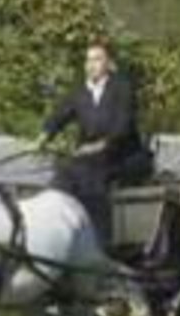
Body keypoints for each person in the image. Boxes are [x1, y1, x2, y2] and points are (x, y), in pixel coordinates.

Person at [38, 40, 153, 243]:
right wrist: (45, 135)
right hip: (88, 156)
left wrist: (99, 146)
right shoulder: (79, 91)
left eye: (97, 59)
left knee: (93, 176)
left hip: (123, 155)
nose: (91, 65)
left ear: (108, 64)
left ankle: (101, 239)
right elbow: (60, 115)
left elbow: (123, 127)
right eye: (88, 60)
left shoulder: (122, 88)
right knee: (63, 172)